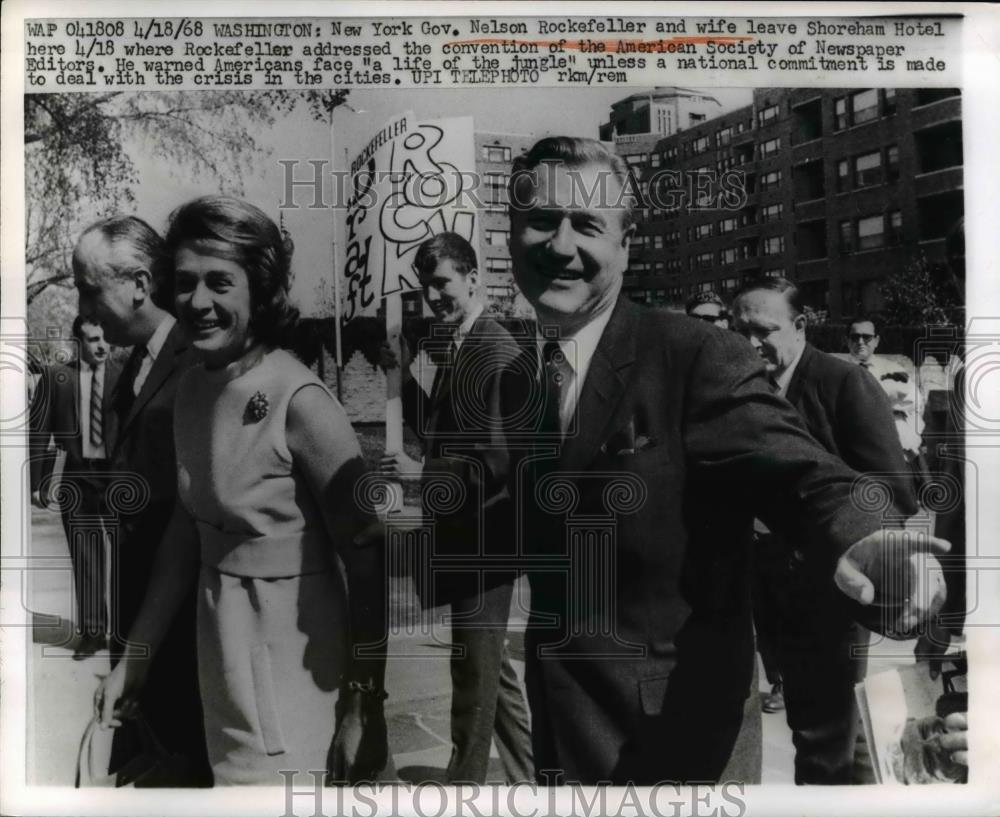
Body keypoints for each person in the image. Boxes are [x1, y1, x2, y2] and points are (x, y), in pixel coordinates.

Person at [501, 136, 948, 785]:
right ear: (513, 233)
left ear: (625, 245)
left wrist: (868, 537)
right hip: (564, 744)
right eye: (541, 220)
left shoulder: (691, 353)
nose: (560, 245)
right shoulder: (517, 379)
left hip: (674, 747)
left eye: (587, 224)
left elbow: (801, 470)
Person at [93, 196, 388, 785]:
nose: (197, 302)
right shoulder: (192, 391)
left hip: (298, 668)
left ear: (260, 289)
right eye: (184, 283)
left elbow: (368, 556)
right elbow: (187, 530)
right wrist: (139, 656)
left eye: (219, 283)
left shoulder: (299, 400)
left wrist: (361, 703)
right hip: (219, 657)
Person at [731, 278, 917, 784]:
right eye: (738, 329)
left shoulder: (844, 384)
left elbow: (892, 493)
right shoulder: (736, 388)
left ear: (800, 327)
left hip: (829, 591)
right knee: (814, 730)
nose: (749, 343)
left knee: (823, 739)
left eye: (763, 331)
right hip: (759, 590)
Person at [378, 232, 533, 784]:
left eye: (442, 282)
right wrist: (397, 373)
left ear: (473, 278)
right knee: (493, 672)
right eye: (427, 285)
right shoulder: (462, 344)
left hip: (486, 538)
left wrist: (424, 475)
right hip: (466, 533)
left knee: (473, 669)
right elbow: (440, 430)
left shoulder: (496, 348)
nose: (434, 295)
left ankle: (464, 785)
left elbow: (495, 459)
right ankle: (533, 779)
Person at [74, 215, 212, 783]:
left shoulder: (199, 360)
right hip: (136, 625)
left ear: (138, 283)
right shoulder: (127, 366)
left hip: (180, 642)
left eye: (89, 288)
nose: (84, 310)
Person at [29, 316, 121, 659]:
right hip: (77, 476)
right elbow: (38, 430)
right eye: (93, 340)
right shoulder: (57, 378)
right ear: (77, 342)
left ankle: (126, 632)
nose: (102, 346)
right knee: (86, 557)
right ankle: (93, 632)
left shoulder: (123, 376)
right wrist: (38, 482)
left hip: (117, 475)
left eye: (105, 338)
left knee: (127, 554)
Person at [846, 317, 926, 462]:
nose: (860, 342)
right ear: (848, 341)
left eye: (867, 337)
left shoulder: (893, 369)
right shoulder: (838, 370)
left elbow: (915, 401)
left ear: (876, 341)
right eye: (855, 337)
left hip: (889, 434)